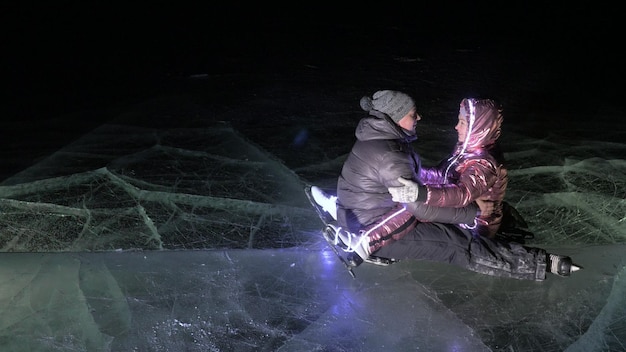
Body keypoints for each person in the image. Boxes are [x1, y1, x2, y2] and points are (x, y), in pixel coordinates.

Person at [311, 90, 580, 280]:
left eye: (462, 122)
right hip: (384, 216)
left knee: (461, 246)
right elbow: (428, 196)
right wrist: (424, 191)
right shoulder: (396, 152)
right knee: (432, 227)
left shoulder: (480, 162)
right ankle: (366, 242)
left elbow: (458, 192)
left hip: (476, 223)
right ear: (395, 118)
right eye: (413, 114)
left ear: (478, 127)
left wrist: (431, 195)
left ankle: (541, 263)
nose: (454, 126)